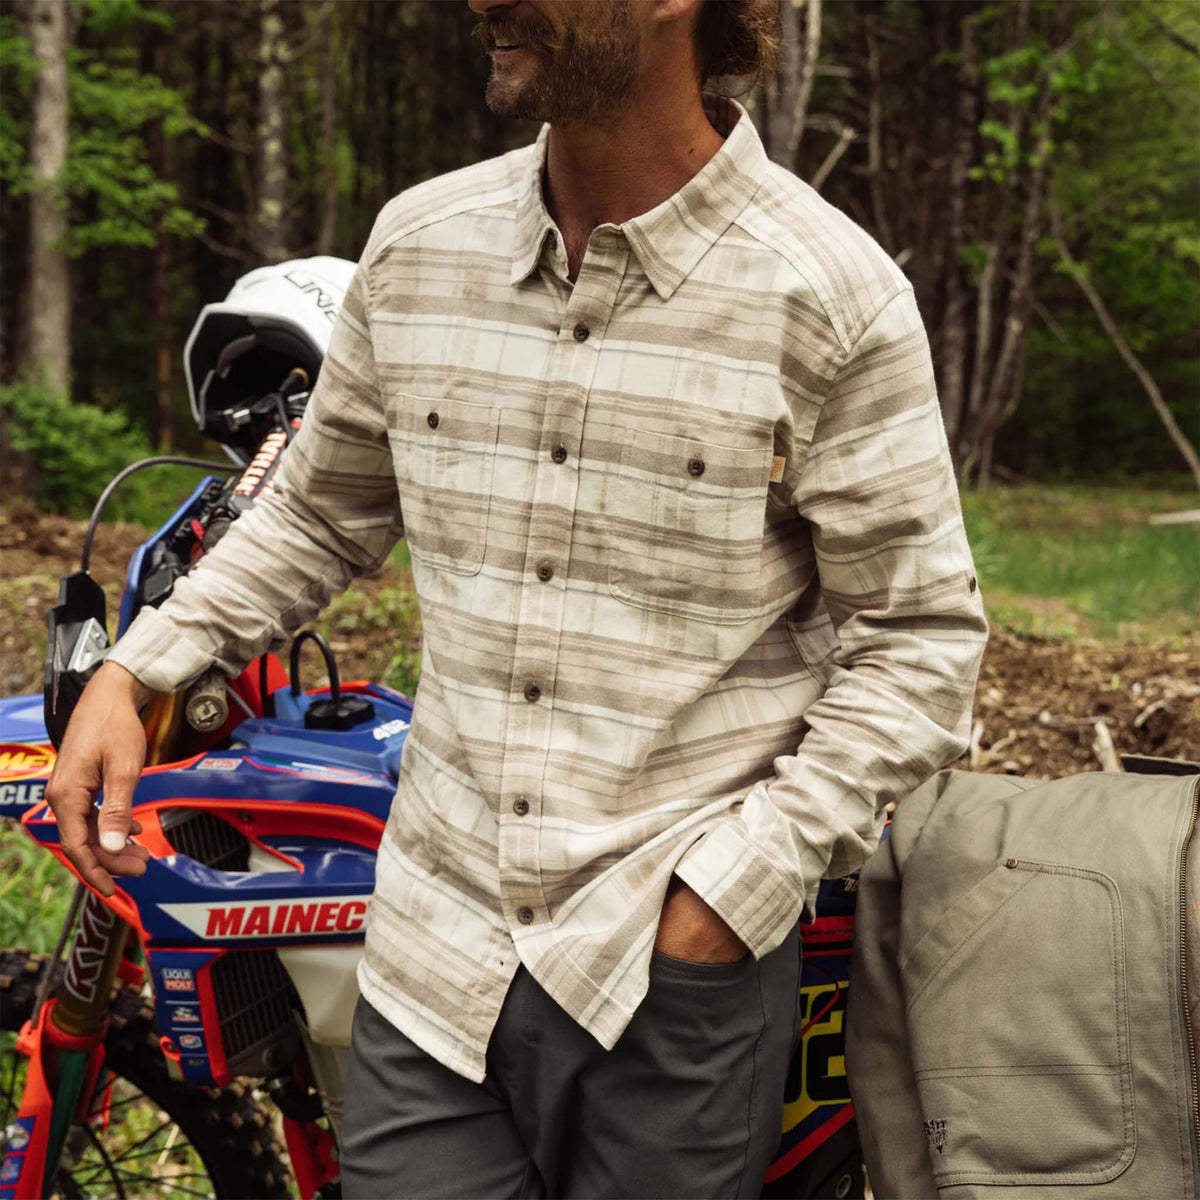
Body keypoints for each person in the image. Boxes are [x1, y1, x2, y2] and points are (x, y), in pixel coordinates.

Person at [44, 0, 989, 1196]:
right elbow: (320, 512)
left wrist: (727, 893)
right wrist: (145, 664)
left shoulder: (830, 296)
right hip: (434, 961)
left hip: (672, 977)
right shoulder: (419, 243)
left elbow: (920, 643)